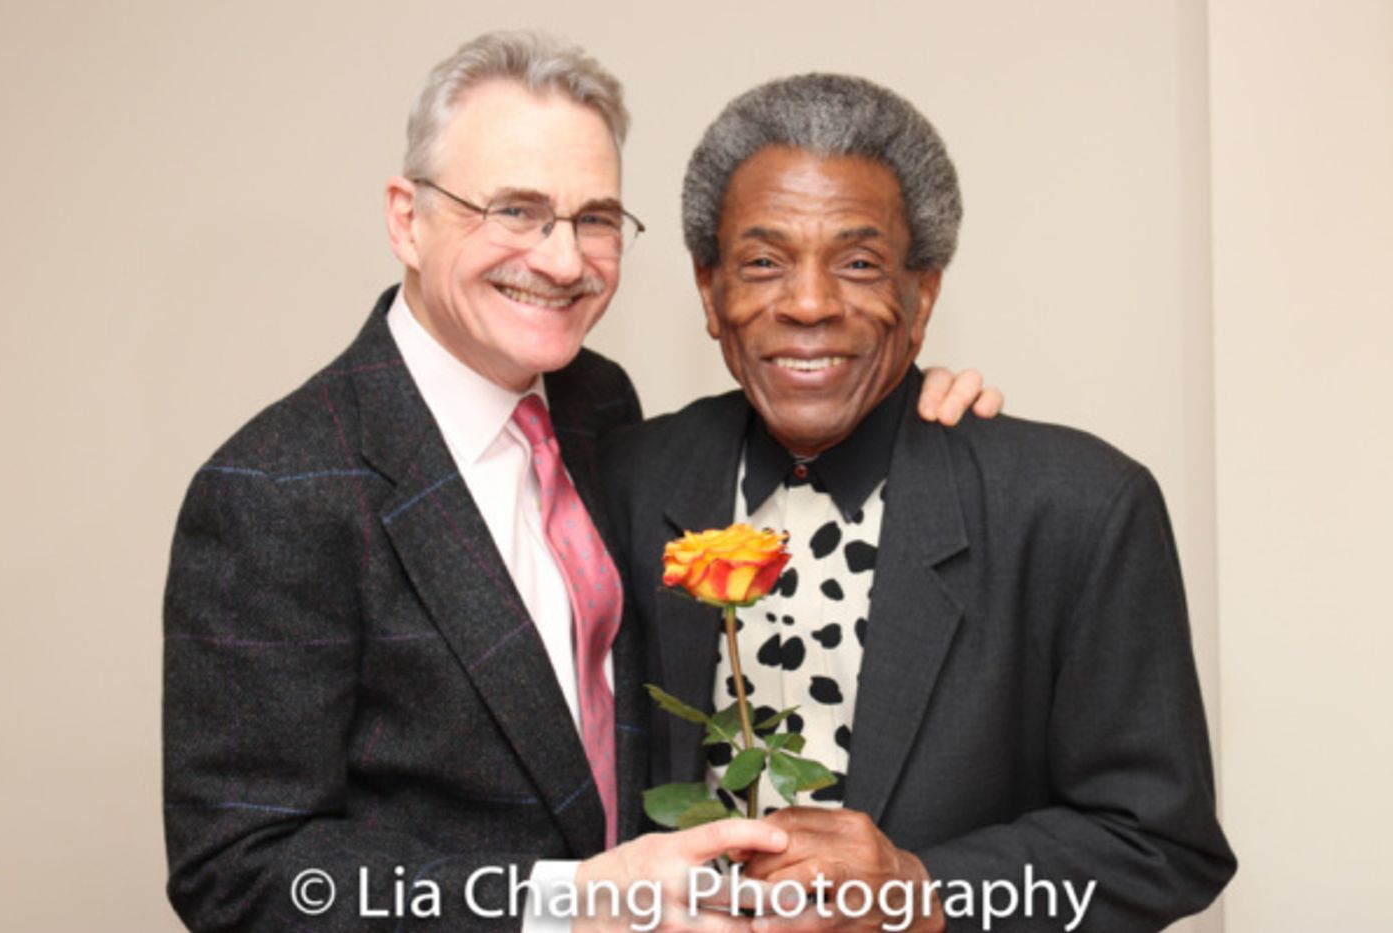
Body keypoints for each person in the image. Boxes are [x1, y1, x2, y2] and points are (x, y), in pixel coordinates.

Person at [162, 33, 995, 932]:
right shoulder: (277, 488)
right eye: (515, 210)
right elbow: (238, 874)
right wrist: (565, 906)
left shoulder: (598, 405)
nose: (563, 261)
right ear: (407, 217)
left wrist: (910, 414)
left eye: (594, 217)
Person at [602, 74, 1236, 933]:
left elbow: (1162, 845)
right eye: (763, 262)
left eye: (859, 263)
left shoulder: (1080, 507)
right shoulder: (619, 483)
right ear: (711, 291)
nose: (810, 303)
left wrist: (923, 889)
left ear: (922, 295)